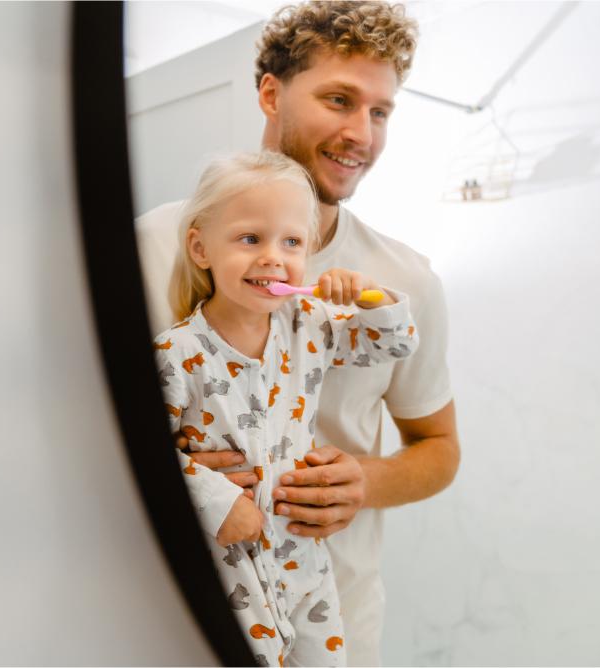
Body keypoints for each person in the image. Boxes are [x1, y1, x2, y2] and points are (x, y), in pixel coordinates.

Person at [136, 2, 460, 665]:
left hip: (332, 614)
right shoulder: (147, 246)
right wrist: (182, 477)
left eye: (379, 112)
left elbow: (439, 448)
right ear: (268, 92)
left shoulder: (403, 283)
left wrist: (364, 481)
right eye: (338, 99)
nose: (359, 134)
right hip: (173, 610)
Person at [153, 150, 417, 667]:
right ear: (200, 247)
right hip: (228, 568)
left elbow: (394, 343)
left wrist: (368, 296)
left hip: (304, 560)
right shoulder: (175, 354)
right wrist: (215, 500)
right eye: (251, 238)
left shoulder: (310, 324)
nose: (273, 256)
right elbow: (140, 457)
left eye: (291, 242)